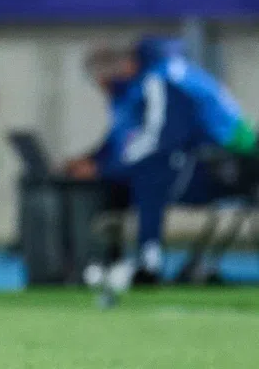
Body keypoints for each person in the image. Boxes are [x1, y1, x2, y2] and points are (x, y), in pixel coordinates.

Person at [65, 36, 258, 286]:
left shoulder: (158, 81)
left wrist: (105, 168)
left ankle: (148, 261)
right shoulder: (132, 92)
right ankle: (98, 262)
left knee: (149, 175)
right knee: (120, 178)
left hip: (228, 166)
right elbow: (120, 140)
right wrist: (93, 161)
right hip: (216, 161)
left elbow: (162, 138)